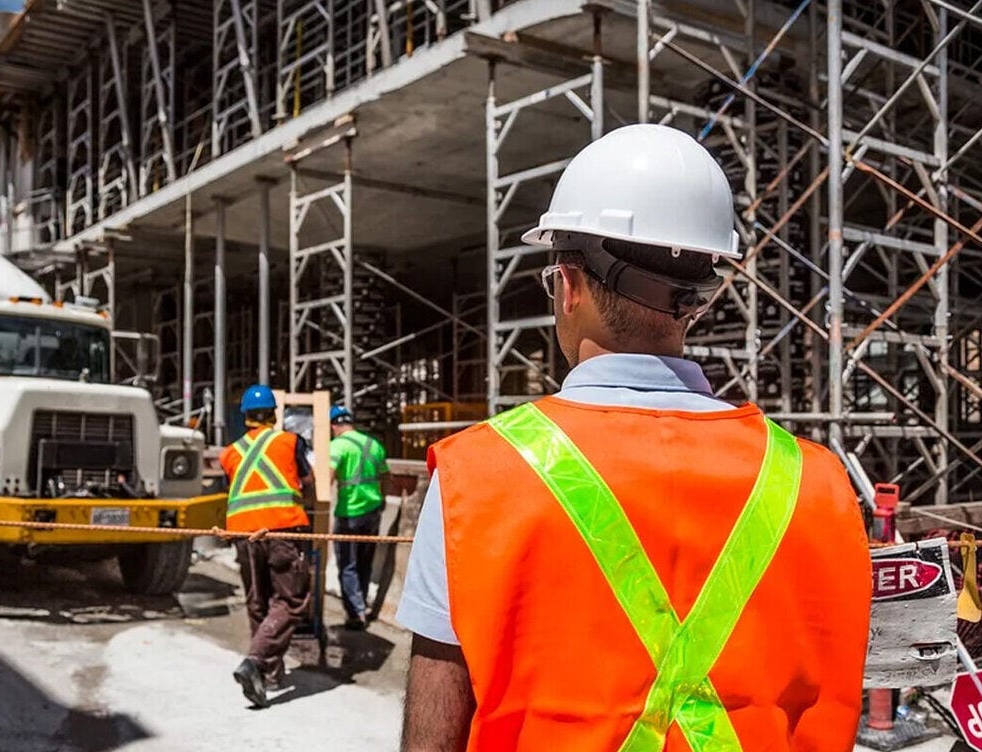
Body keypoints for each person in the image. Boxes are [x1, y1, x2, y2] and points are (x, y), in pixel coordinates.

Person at [396, 124, 871, 751]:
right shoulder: (816, 481)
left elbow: (434, 734)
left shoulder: (477, 476)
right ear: (699, 298)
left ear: (567, 285)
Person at [220, 384, 314, 708]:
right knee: (292, 601)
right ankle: (256, 661)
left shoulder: (229, 453)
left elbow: (232, 490)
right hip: (281, 529)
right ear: (275, 414)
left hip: (243, 535)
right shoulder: (289, 441)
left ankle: (269, 674)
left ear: (245, 416)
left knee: (258, 601)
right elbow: (309, 479)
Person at [328, 405, 390, 630]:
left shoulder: (337, 446)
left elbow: (328, 477)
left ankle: (356, 613)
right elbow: (386, 475)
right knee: (365, 562)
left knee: (347, 564)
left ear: (334, 426)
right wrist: (381, 498)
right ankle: (361, 603)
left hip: (349, 513)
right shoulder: (373, 445)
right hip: (373, 512)